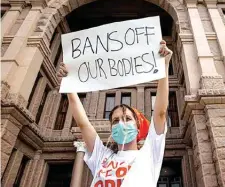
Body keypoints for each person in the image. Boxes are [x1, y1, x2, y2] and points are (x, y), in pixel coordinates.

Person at [57, 40, 173, 187]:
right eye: (116, 121)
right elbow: (83, 123)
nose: (121, 123)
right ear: (111, 129)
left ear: (137, 127)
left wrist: (165, 66)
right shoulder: (102, 156)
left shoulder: (150, 152)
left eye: (127, 119)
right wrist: (68, 85)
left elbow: (160, 113)